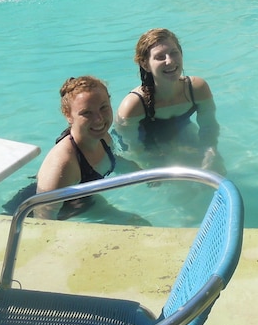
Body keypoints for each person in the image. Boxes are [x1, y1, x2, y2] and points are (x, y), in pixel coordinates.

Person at [116, 28, 224, 172]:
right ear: (145, 64)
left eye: (174, 53)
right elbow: (133, 149)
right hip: (144, 141)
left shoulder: (197, 89)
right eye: (160, 57)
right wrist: (149, 163)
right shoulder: (133, 105)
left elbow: (209, 127)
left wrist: (210, 152)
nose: (170, 61)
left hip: (180, 128)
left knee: (218, 169)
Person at [31, 75, 124, 220]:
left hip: (81, 201)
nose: (99, 119)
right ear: (68, 115)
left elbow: (116, 161)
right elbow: (43, 216)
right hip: (34, 215)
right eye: (86, 113)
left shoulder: (103, 137)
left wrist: (145, 175)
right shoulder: (63, 164)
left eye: (104, 107)